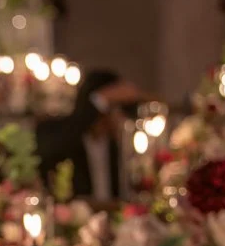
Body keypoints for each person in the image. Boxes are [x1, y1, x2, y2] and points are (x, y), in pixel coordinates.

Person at [35, 69, 147, 202]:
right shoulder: (64, 136)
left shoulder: (117, 144)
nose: (120, 116)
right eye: (115, 105)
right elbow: (51, 151)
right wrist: (101, 99)